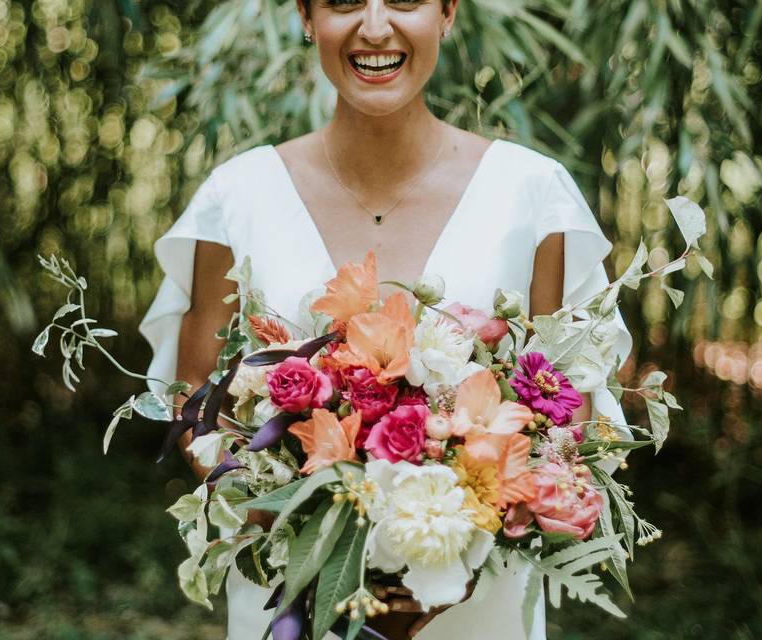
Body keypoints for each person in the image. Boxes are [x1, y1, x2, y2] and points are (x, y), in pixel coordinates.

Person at [140, 0, 631, 638]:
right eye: (343, 1)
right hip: (297, 601)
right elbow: (194, 400)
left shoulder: (532, 195)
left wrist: (464, 551)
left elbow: (573, 419)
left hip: (479, 605)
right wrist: (296, 524)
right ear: (306, 16)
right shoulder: (236, 200)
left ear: (449, 12)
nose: (375, 26)